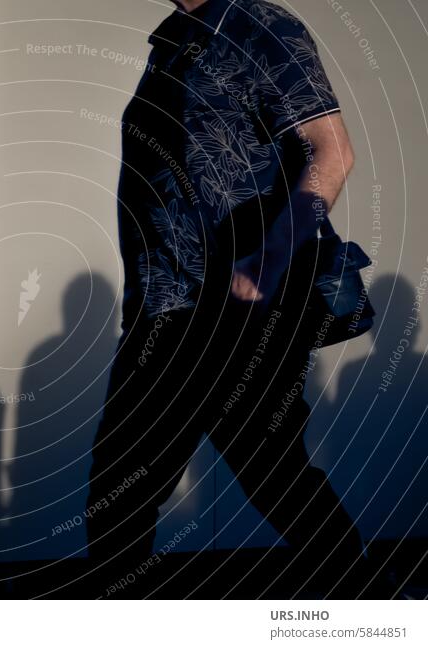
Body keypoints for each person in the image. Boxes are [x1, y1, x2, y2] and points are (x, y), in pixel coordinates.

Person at [85, 0, 386, 597]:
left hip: (237, 305)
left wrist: (271, 259)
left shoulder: (260, 27)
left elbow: (333, 151)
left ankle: (372, 609)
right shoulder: (171, 42)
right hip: (168, 305)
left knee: (232, 474)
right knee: (160, 478)